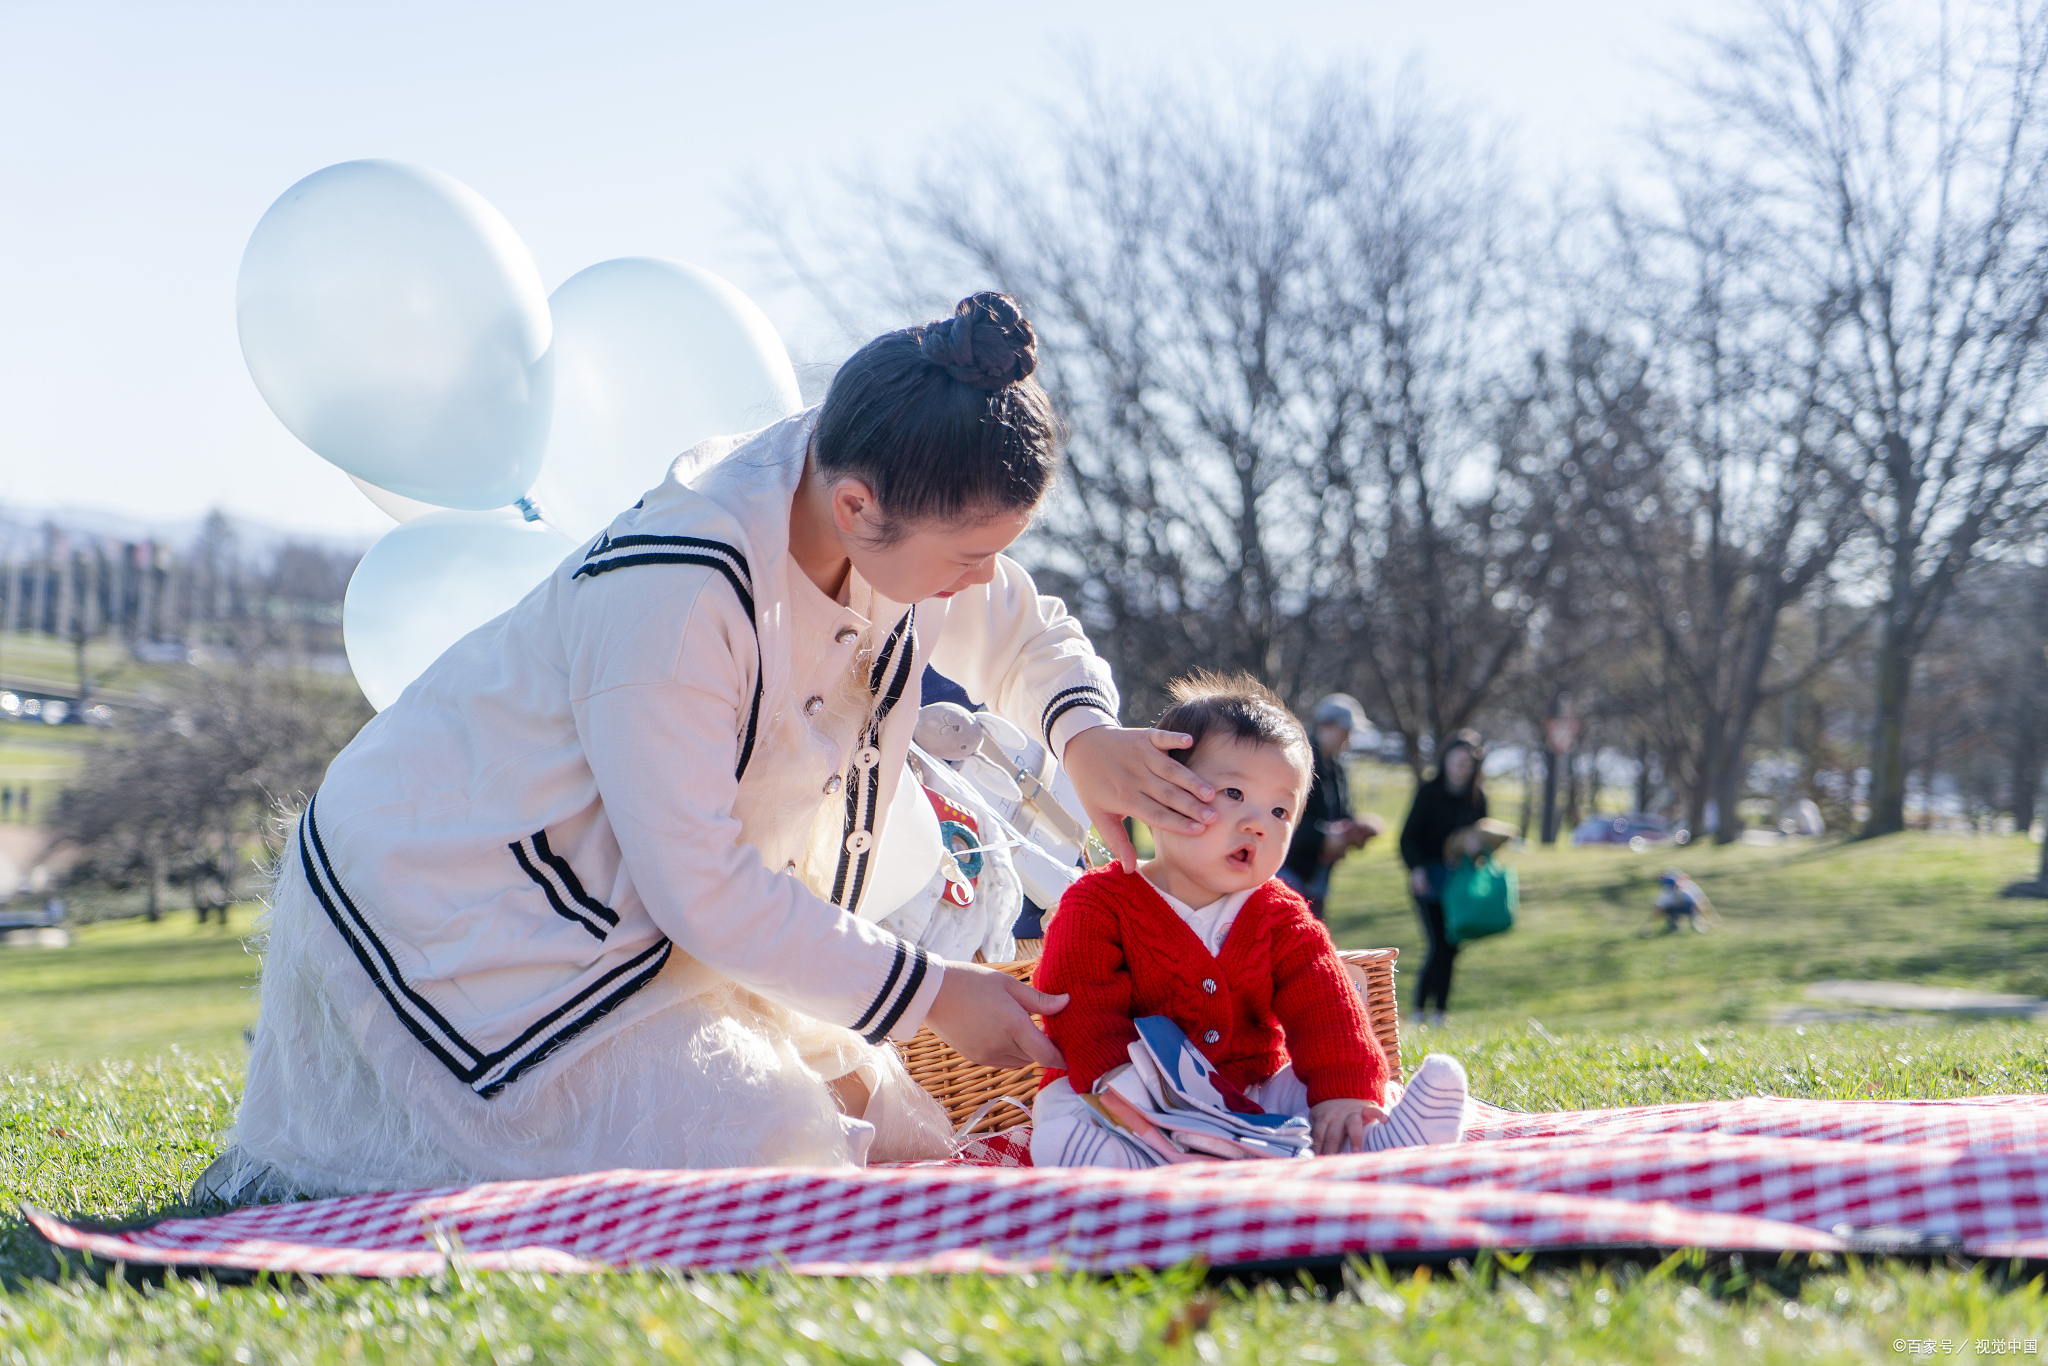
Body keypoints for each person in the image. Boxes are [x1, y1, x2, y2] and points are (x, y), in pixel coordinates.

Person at [197, 293, 1231, 1204]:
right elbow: (700, 886)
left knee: (897, 1141)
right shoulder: (680, 597)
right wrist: (932, 992)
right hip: (451, 897)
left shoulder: (868, 485)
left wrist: (1084, 734)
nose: (980, 577)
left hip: (627, 896)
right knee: (775, 1149)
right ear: (856, 508)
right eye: (969, 555)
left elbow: (1013, 621)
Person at [1032, 672, 1469, 1167]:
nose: (1258, 822)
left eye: (1281, 810)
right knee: (1066, 1119)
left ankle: (1374, 1139)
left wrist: (1345, 1091)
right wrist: (1123, 1089)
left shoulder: (1279, 913)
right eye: (1234, 794)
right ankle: (1133, 1158)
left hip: (1250, 1096)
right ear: (1157, 795)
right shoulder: (1098, 903)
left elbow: (1325, 1007)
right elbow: (1080, 1006)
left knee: (1314, 1095)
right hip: (1131, 1091)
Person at [1399, 731, 1487, 1027]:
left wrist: (1477, 850)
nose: (1460, 767)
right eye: (1456, 760)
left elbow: (1483, 839)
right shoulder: (1429, 792)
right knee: (1437, 942)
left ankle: (1440, 1013)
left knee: (1452, 945)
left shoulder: (1477, 798)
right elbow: (1407, 838)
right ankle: (1420, 1009)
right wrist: (1417, 869)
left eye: (1467, 763)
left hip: (1458, 881)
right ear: (1446, 760)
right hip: (1428, 877)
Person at [1278, 693, 1386, 921]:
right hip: (1289, 869)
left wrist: (1356, 828)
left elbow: (1341, 812)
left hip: (1318, 872)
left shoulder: (1336, 767)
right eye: (1346, 731)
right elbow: (1282, 817)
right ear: (1325, 726)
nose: (1350, 738)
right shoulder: (1298, 762)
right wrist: (1322, 838)